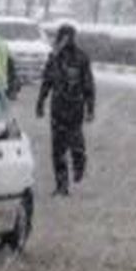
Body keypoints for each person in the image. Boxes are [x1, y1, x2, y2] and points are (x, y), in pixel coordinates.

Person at [36, 24, 95, 196]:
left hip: (75, 108)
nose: (61, 41)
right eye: (60, 37)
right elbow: (47, 81)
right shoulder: (54, 58)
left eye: (64, 37)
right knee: (57, 150)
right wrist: (40, 102)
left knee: (76, 143)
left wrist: (90, 108)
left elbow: (88, 85)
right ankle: (62, 185)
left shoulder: (81, 58)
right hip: (58, 109)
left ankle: (79, 163)